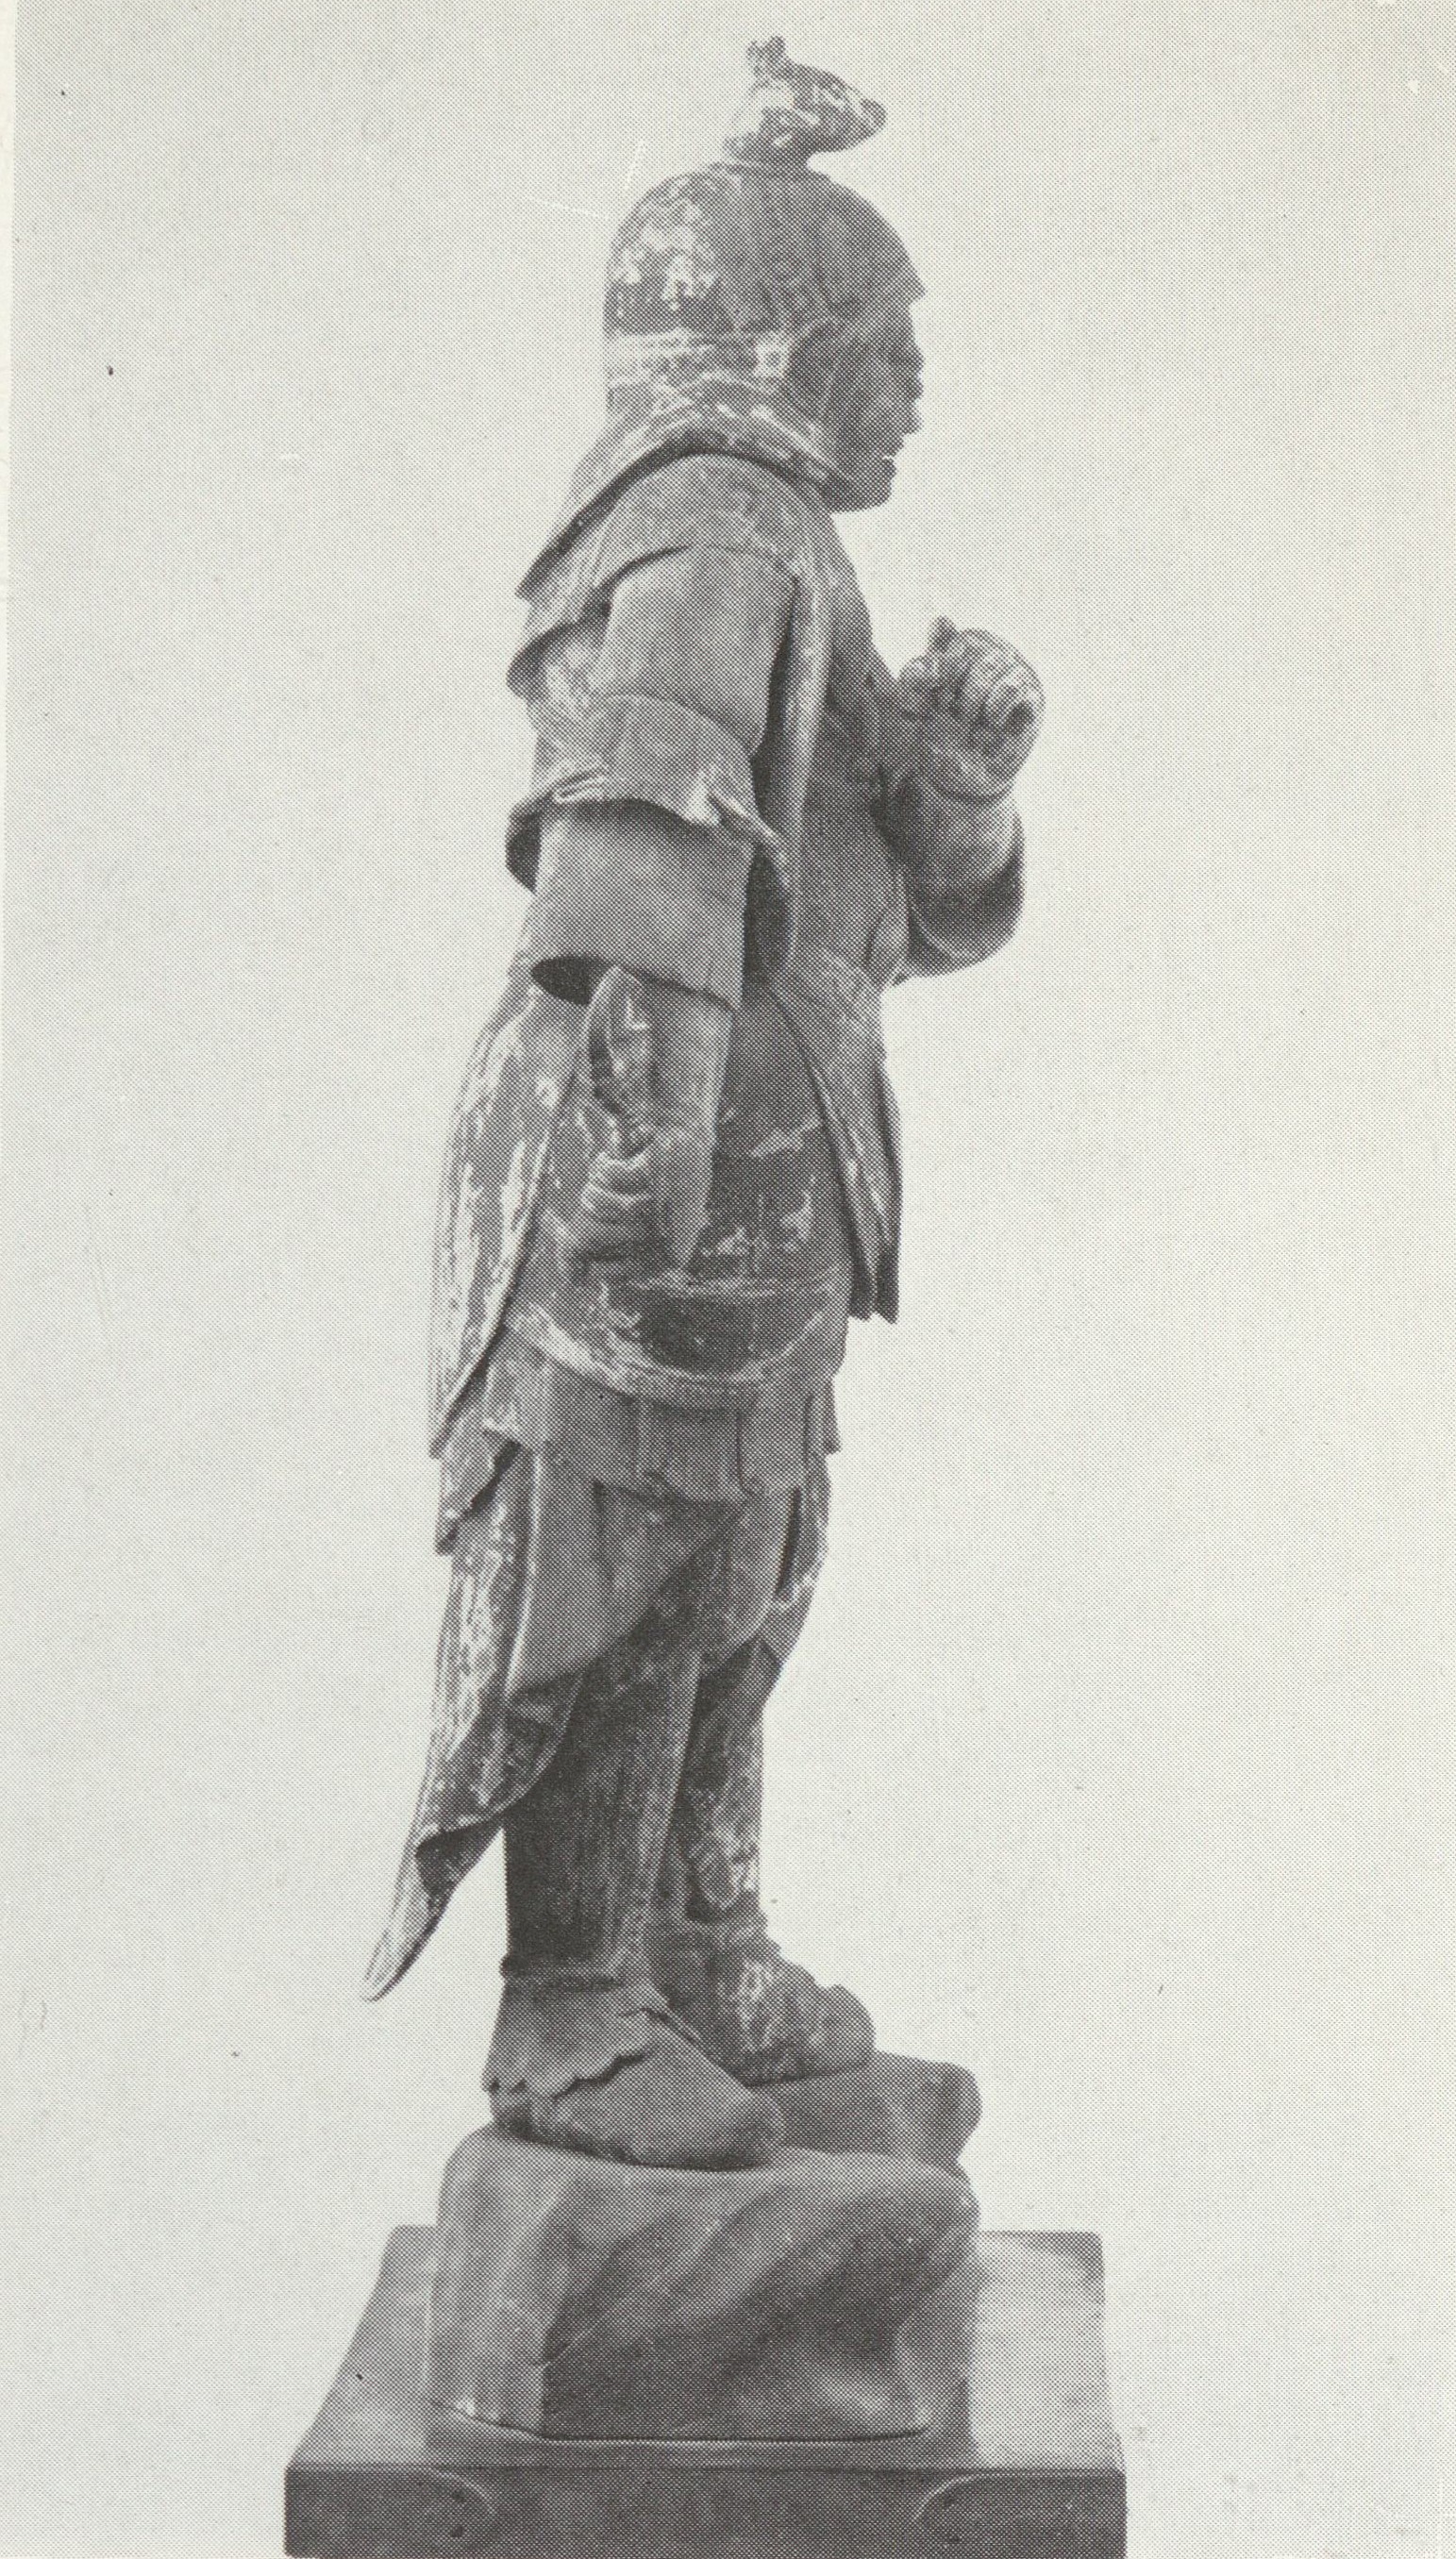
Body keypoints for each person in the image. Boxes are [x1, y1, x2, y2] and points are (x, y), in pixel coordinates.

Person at [363, 40, 1044, 2171]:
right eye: (887, 340)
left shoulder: (779, 538)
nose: (912, 384)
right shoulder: (716, 524)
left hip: (762, 1175)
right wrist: (647, 1131)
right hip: (654, 1172)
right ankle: (573, 2012)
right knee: (634, 1572)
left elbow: (879, 899)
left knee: (739, 1568)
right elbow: (639, 826)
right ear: (782, 344)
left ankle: (695, 1948)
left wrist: (959, 780)